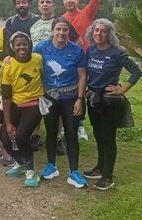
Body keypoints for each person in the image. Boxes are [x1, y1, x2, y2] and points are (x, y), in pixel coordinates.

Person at [83, 19, 142, 190]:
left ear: (110, 34)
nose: (99, 34)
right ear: (92, 33)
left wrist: (122, 89)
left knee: (108, 138)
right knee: (98, 135)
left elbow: (137, 71)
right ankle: (100, 168)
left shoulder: (117, 53)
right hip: (94, 99)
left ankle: (108, 177)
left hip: (110, 101)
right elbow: (86, 71)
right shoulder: (91, 49)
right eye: (96, 30)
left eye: (103, 31)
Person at [35, 17, 88, 188]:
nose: (61, 33)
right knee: (51, 132)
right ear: (52, 30)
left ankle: (74, 172)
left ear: (68, 32)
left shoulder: (76, 50)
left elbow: (82, 75)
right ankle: (51, 166)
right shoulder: (41, 47)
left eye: (65, 29)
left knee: (71, 133)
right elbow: (29, 62)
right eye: (58, 29)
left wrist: (80, 99)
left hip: (71, 97)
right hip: (49, 97)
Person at [0, 32, 46, 187]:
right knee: (6, 139)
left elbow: (44, 77)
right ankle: (19, 164)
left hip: (34, 104)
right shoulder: (8, 66)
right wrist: (8, 123)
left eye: (25, 44)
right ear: (12, 47)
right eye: (18, 44)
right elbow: (6, 98)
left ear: (30, 44)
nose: (22, 47)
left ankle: (31, 171)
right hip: (15, 104)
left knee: (21, 136)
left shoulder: (38, 59)